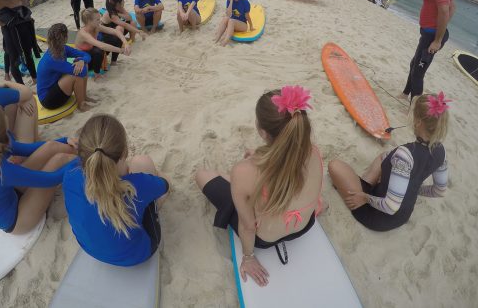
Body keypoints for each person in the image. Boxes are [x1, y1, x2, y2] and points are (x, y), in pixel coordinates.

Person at [195, 86, 323, 286]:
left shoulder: (244, 171)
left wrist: (248, 257)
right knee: (244, 183)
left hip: (266, 239)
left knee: (204, 175)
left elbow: (248, 226)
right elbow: (286, 163)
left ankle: (234, 185)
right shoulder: (313, 152)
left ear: (262, 132)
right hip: (305, 225)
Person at [328, 92, 450, 231]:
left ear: (418, 122)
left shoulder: (405, 155)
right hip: (403, 214)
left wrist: (365, 198)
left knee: (334, 165)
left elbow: (391, 207)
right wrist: (414, 189)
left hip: (379, 214)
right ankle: (366, 185)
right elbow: (439, 191)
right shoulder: (442, 151)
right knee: (385, 156)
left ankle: (363, 189)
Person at [63, 114, 170, 266]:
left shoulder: (70, 174)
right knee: (143, 162)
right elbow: (164, 186)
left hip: (89, 249)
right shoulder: (136, 186)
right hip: (137, 254)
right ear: (125, 152)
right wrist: (156, 175)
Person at [0, 102, 77, 234]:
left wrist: (65, 140)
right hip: (16, 221)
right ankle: (90, 159)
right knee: (59, 160)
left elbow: (28, 149)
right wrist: (74, 162)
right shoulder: (0, 170)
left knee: (51, 146)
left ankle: (84, 150)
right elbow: (50, 179)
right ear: (3, 121)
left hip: (11, 193)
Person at [400, 0, 455, 102]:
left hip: (432, 36)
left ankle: (415, 110)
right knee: (414, 65)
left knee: (418, 72)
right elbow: (453, 7)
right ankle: (405, 94)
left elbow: (445, 11)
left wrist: (438, 39)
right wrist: (440, 30)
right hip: (429, 33)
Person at [36, 23, 95, 112]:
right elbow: (82, 72)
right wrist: (81, 61)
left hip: (55, 86)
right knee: (76, 73)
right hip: (48, 100)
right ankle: (82, 105)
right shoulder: (52, 58)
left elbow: (86, 55)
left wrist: (82, 60)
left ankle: (84, 96)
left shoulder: (63, 48)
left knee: (82, 64)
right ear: (65, 38)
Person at [75, 8, 132, 80]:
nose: (100, 21)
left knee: (116, 39)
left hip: (92, 54)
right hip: (83, 60)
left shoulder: (97, 27)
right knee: (98, 50)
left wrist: (126, 43)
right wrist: (122, 51)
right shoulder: (83, 33)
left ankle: (113, 62)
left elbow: (115, 31)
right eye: (97, 20)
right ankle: (97, 74)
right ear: (89, 21)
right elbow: (101, 45)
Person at [101, 0, 146, 65]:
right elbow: (124, 24)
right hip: (106, 34)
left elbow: (129, 17)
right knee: (120, 28)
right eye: (123, 1)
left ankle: (131, 40)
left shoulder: (119, 8)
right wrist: (138, 31)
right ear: (118, 3)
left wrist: (119, 14)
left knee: (133, 22)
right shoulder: (110, 13)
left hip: (115, 31)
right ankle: (117, 55)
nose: (124, 2)